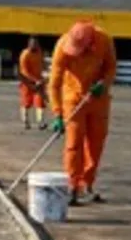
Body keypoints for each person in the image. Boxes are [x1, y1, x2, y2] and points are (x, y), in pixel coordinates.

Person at [48, 20, 117, 205]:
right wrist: (57, 113)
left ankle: (87, 184)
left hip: (98, 99)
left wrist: (103, 84)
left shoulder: (104, 40)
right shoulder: (62, 47)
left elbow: (111, 68)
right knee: (73, 143)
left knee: (95, 143)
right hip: (73, 98)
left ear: (90, 42)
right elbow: (54, 84)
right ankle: (72, 185)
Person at [18, 36, 48, 130]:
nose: (34, 45)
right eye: (32, 43)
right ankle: (25, 121)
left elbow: (42, 64)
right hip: (27, 82)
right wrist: (35, 80)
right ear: (29, 44)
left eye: (36, 43)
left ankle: (40, 122)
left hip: (39, 81)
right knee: (26, 102)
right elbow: (24, 71)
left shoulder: (39, 52)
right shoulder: (25, 55)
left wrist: (45, 74)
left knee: (40, 102)